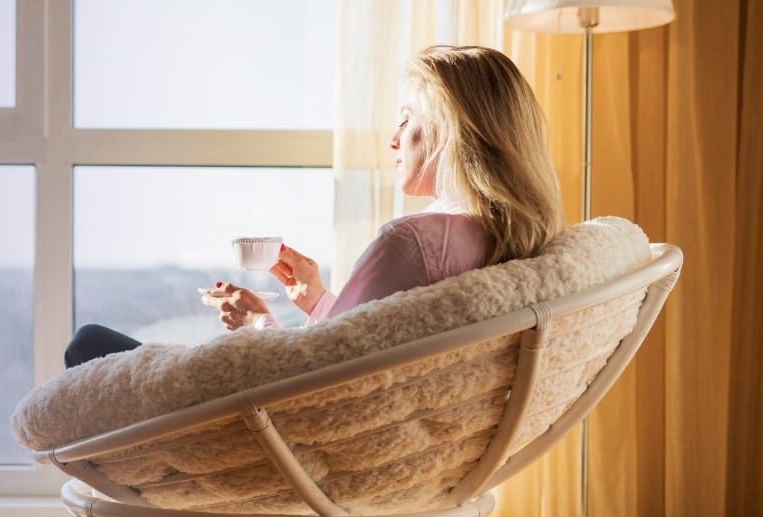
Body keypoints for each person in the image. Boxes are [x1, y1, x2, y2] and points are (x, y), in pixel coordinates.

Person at [65, 45, 564, 368]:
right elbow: (352, 349)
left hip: (277, 439)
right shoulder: (504, 240)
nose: (392, 140)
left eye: (406, 119)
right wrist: (318, 301)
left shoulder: (412, 241)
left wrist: (256, 323)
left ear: (450, 129)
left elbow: (309, 376)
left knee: (87, 344)